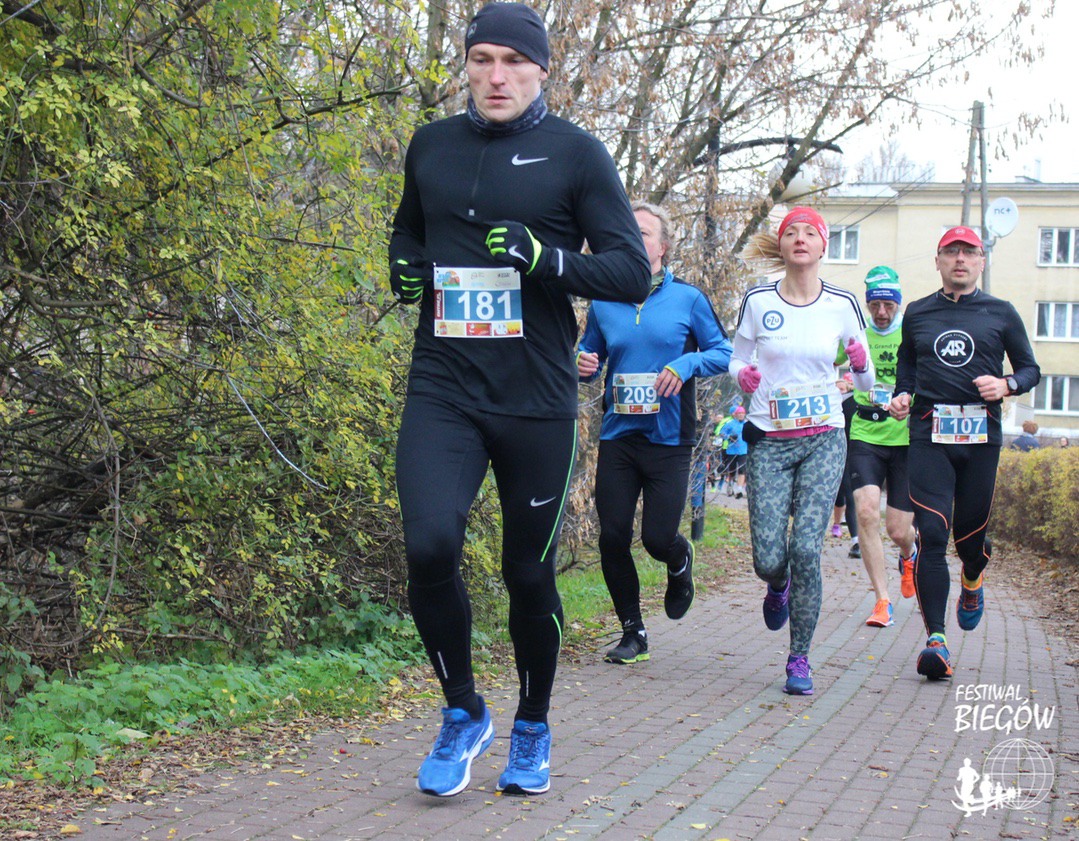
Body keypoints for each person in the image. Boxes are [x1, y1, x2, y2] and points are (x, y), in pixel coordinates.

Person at [389, 2, 651, 797]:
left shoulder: (576, 154)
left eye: (512, 61)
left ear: (541, 69)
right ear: (466, 65)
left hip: (534, 396)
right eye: (481, 59)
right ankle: (463, 710)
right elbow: (408, 231)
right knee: (429, 545)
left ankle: (531, 723)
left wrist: (548, 258)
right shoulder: (431, 145)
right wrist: (402, 263)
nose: (495, 76)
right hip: (443, 384)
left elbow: (629, 273)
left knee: (526, 572)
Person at [576, 201, 732, 665]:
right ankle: (633, 632)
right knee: (612, 537)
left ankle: (680, 560)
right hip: (619, 436)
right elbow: (590, 356)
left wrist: (686, 364)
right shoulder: (604, 301)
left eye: (643, 232)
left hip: (669, 438)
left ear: (663, 247)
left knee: (657, 539)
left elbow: (723, 353)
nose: (633, 237)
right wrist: (583, 364)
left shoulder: (688, 299)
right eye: (628, 231)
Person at [731, 207, 874, 696]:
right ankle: (777, 585)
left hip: (824, 436)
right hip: (769, 438)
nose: (799, 239)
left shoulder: (842, 303)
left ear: (822, 246)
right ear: (782, 245)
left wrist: (859, 364)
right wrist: (743, 375)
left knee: (806, 549)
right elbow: (736, 358)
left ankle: (799, 657)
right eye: (790, 232)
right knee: (769, 559)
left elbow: (866, 381)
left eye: (809, 233)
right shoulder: (757, 300)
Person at [889, 226, 1039, 680]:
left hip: (980, 439)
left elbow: (1030, 369)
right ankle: (936, 640)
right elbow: (907, 368)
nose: (960, 259)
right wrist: (901, 395)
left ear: (981, 261)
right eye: (951, 252)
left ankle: (973, 578)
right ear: (937, 261)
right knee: (933, 534)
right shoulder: (917, 313)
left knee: (970, 542)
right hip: (929, 435)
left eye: (968, 252)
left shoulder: (1001, 312)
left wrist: (1007, 384)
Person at [846, 267, 917, 629]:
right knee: (866, 512)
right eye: (875, 305)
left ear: (898, 303)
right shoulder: (856, 334)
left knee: (899, 530)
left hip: (904, 439)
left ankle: (910, 553)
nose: (882, 312)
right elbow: (827, 361)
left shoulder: (911, 333)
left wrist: (911, 400)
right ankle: (882, 600)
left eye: (888, 305)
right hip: (865, 433)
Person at [830, 373, 860, 559]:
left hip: (860, 452)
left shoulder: (859, 401)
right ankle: (841, 528)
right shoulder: (835, 403)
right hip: (840, 454)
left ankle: (857, 541)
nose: (840, 391)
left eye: (842, 388)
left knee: (852, 497)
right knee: (842, 496)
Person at [719, 406, 748, 498]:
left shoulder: (747, 424)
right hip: (732, 450)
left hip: (744, 450)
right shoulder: (730, 424)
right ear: (735, 415)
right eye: (739, 413)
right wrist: (729, 437)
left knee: (742, 470)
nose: (741, 415)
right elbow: (721, 433)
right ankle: (730, 485)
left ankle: (739, 490)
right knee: (732, 470)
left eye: (742, 413)